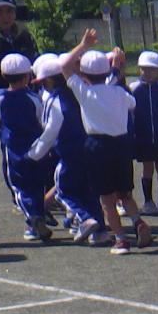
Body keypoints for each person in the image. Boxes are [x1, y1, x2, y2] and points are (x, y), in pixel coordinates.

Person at [61, 35, 147, 255]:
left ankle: (121, 240)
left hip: (97, 145)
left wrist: (83, 45)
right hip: (122, 144)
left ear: (83, 74)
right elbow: (131, 102)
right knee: (125, 194)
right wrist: (117, 69)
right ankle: (137, 221)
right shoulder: (118, 91)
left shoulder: (84, 92)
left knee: (107, 199)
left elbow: (64, 66)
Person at [0, 51, 59, 241]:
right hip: (35, 146)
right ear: (28, 76)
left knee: (19, 187)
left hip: (13, 147)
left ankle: (33, 217)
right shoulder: (34, 98)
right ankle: (34, 223)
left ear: (3, 75)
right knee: (37, 185)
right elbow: (42, 120)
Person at [37, 52, 101, 242]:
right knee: (89, 191)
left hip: (68, 151)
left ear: (48, 81)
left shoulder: (53, 100)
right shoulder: (81, 92)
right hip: (89, 148)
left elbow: (48, 129)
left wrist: (35, 153)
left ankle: (84, 218)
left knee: (64, 189)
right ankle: (100, 231)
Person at [131, 51, 158, 215]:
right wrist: (131, 135)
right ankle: (148, 201)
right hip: (142, 136)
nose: (148, 72)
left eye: (152, 69)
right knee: (147, 167)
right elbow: (130, 114)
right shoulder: (133, 88)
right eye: (144, 68)